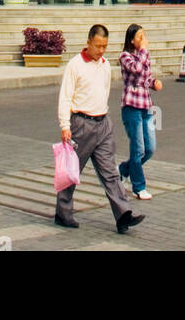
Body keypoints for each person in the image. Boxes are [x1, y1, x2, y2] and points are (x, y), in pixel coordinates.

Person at [55, 24, 144, 235]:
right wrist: (65, 126)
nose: (101, 50)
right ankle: (63, 212)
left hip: (102, 124)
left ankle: (123, 215)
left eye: (104, 46)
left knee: (110, 173)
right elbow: (65, 97)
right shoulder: (75, 65)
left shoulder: (104, 65)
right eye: (98, 46)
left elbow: (103, 92)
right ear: (88, 42)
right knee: (71, 171)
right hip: (81, 125)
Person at [118, 24, 163, 200]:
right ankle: (139, 186)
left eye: (144, 35)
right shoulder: (125, 56)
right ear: (131, 40)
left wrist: (154, 83)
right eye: (139, 37)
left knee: (149, 148)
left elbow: (145, 77)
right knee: (138, 149)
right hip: (131, 107)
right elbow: (136, 70)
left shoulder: (143, 56)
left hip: (146, 106)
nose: (143, 39)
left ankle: (122, 170)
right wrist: (144, 51)